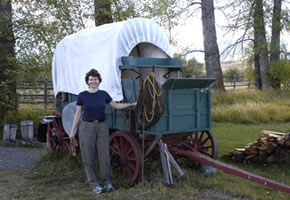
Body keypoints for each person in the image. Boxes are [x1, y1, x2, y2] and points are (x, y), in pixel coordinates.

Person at [69, 68, 137, 194]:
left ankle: (107, 182)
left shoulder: (103, 94)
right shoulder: (82, 95)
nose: (93, 81)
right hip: (86, 127)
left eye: (95, 79)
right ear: (87, 82)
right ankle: (94, 183)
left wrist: (131, 104)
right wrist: (72, 131)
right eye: (91, 79)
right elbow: (77, 114)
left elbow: (115, 106)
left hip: (101, 126)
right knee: (88, 155)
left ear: (99, 81)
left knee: (104, 155)